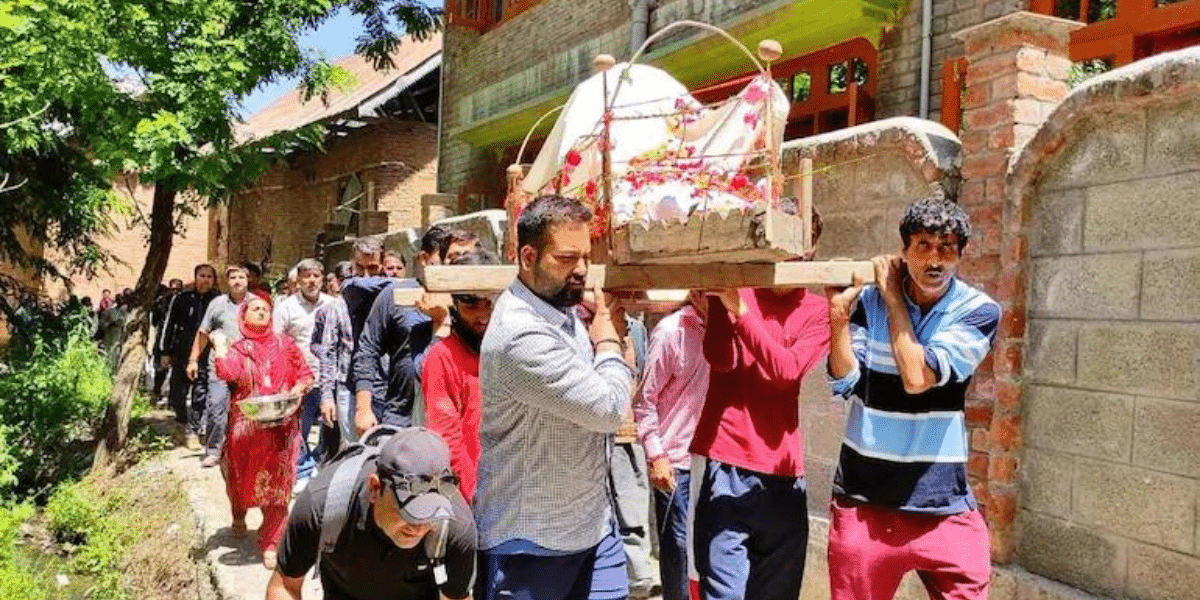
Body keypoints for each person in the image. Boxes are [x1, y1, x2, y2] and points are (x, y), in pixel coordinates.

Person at [824, 196, 999, 600]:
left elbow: (918, 377)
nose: (935, 260)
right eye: (923, 246)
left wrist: (893, 299)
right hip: (865, 501)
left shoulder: (977, 311)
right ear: (904, 251)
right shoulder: (867, 303)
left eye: (947, 249)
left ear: (960, 256)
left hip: (942, 503)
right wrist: (837, 316)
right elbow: (845, 379)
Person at [475, 194, 633, 600]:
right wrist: (609, 339)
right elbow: (610, 409)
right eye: (566, 259)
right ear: (528, 257)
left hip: (593, 530)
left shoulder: (561, 311)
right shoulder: (520, 334)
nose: (581, 270)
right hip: (532, 541)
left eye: (585, 256)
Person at [689, 206, 830, 600]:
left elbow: (786, 372)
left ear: (811, 248)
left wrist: (742, 312)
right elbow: (720, 358)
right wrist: (721, 304)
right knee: (723, 593)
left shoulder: (817, 311)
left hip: (785, 476)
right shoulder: (738, 288)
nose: (790, 257)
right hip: (726, 463)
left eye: (798, 247)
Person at [267, 428, 477, 600]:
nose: (420, 526)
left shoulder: (455, 526)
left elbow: (456, 598)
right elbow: (285, 585)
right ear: (375, 489)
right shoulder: (322, 504)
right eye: (410, 513)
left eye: (430, 514)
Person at [212, 294, 313, 569]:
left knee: (280, 485)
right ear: (243, 316)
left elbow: (305, 374)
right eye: (254, 309)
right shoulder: (237, 348)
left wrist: (297, 389)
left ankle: (271, 541)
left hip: (282, 425)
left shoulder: (286, 345)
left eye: (265, 309)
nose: (260, 313)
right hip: (247, 426)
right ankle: (239, 512)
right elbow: (227, 373)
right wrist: (220, 348)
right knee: (239, 475)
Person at [351, 227, 469, 435]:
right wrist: (363, 408)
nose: (457, 266)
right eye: (450, 259)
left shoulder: (471, 302)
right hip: (401, 417)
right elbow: (368, 349)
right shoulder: (395, 295)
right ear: (424, 258)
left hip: (456, 417)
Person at [634, 290, 709, 600]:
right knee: (678, 554)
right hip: (678, 463)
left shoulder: (737, 326)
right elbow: (645, 400)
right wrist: (656, 455)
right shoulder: (671, 332)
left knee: (713, 553)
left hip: (718, 461)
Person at [421, 249, 499, 502]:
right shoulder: (442, 357)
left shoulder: (510, 350)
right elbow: (448, 437)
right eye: (471, 303)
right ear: (455, 302)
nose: (483, 314)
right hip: (474, 497)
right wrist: (474, 497)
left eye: (490, 301)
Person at [274, 259, 335, 481]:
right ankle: (299, 473)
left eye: (316, 276)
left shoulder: (332, 304)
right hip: (299, 381)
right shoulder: (286, 308)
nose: (311, 281)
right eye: (306, 276)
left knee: (330, 430)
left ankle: (321, 468)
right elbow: (276, 345)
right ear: (298, 280)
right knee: (299, 429)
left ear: (322, 278)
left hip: (328, 379)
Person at [189, 265, 250, 466]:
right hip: (220, 365)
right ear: (227, 281)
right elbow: (203, 333)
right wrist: (193, 360)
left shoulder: (256, 304)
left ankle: (241, 450)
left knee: (246, 411)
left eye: (241, 277)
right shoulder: (217, 304)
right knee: (216, 406)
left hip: (247, 367)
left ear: (248, 280)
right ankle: (214, 450)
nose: (237, 281)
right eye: (233, 277)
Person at [158, 264, 220, 444]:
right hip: (181, 352)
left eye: (209, 276)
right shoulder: (181, 298)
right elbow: (168, 325)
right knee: (178, 391)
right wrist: (165, 351)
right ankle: (181, 419)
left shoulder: (218, 300)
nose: (205, 279)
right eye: (202, 276)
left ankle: (196, 427)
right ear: (195, 277)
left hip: (207, 352)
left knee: (201, 390)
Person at [314, 261, 357, 450]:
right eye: (346, 280)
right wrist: (327, 396)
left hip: (379, 386)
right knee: (351, 446)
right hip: (346, 385)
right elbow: (327, 352)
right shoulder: (335, 309)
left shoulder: (377, 302)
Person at [151, 279, 184, 403]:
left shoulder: (184, 302)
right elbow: (155, 321)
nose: (174, 292)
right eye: (173, 289)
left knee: (176, 370)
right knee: (160, 368)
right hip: (164, 338)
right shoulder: (162, 301)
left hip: (178, 339)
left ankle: (172, 397)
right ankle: (157, 391)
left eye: (177, 290)